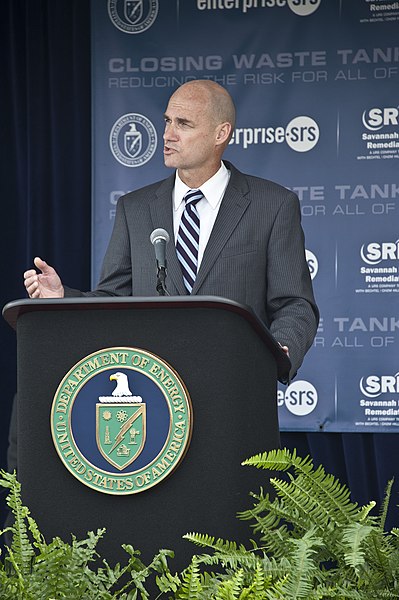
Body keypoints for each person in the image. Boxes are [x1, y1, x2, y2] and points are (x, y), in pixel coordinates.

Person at [23, 79, 318, 381]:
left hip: (236, 388)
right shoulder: (134, 208)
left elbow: (293, 303)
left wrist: (280, 349)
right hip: (156, 393)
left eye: (184, 124)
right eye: (167, 121)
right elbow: (112, 299)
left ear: (221, 133)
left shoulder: (272, 205)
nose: (167, 135)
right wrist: (62, 297)